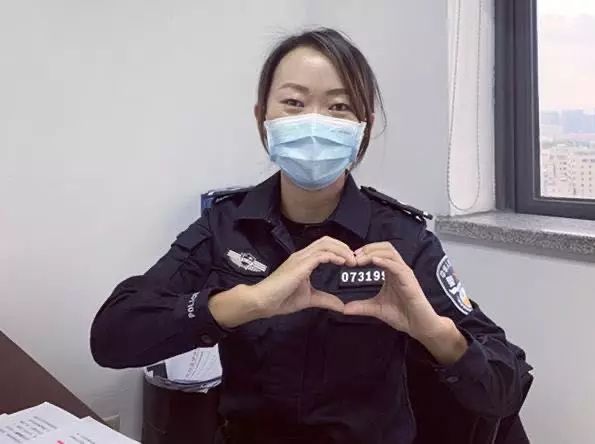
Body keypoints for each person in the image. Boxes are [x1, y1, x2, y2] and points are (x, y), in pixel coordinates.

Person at [90, 28, 529, 444]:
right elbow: (113, 336)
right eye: (294, 103)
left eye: (338, 107)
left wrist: (434, 332)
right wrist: (246, 303)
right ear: (262, 119)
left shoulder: (401, 238)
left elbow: (504, 388)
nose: (314, 122)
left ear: (363, 126)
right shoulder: (226, 225)